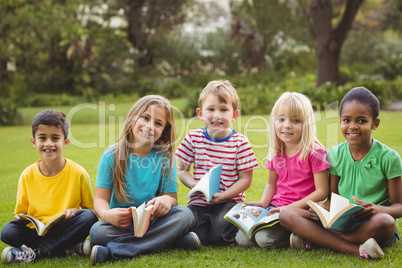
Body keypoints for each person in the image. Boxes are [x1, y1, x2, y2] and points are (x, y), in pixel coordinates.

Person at [280, 87, 402, 259]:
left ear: (375, 123)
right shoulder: (335, 154)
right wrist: (322, 209)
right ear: (340, 121)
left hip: (371, 223)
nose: (352, 126)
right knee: (286, 214)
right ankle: (355, 249)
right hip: (342, 222)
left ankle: (319, 240)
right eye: (346, 120)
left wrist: (377, 209)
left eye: (361, 121)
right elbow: (332, 199)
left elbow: (399, 207)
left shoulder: (389, 158)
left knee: (386, 222)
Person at [89, 95, 196, 265]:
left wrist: (165, 200)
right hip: (121, 226)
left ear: (164, 130)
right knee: (97, 232)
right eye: (145, 118)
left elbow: (172, 198)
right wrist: (107, 215)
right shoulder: (111, 155)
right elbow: (100, 199)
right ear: (133, 118)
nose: (149, 126)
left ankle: (115, 251)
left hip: (153, 222)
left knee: (186, 214)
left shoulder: (165, 157)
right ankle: (172, 242)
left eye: (158, 123)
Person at [1, 109, 98, 264]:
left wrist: (75, 211)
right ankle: (69, 248)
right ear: (34, 142)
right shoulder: (27, 175)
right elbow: (21, 213)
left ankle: (37, 252)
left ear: (65, 142)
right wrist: (20, 218)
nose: (48, 143)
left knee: (88, 218)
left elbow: (90, 211)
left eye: (55, 138)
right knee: (8, 230)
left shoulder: (78, 173)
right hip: (37, 232)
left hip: (66, 228)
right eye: (42, 138)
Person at [235, 92, 330, 248]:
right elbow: (271, 184)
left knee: (264, 240)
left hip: (299, 212)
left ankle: (305, 236)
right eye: (281, 119)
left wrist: (288, 208)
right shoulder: (276, 151)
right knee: (242, 239)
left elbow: (322, 191)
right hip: (274, 209)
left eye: (296, 120)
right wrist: (263, 203)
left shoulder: (315, 152)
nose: (287, 125)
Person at [175, 80, 259, 246]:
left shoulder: (240, 142)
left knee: (218, 238)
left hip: (228, 201)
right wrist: (193, 184)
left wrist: (224, 195)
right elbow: (182, 170)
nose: (217, 115)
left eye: (223, 109)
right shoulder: (193, 138)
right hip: (199, 201)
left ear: (234, 115)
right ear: (200, 113)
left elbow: (245, 179)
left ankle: (238, 224)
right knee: (197, 234)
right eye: (211, 109)